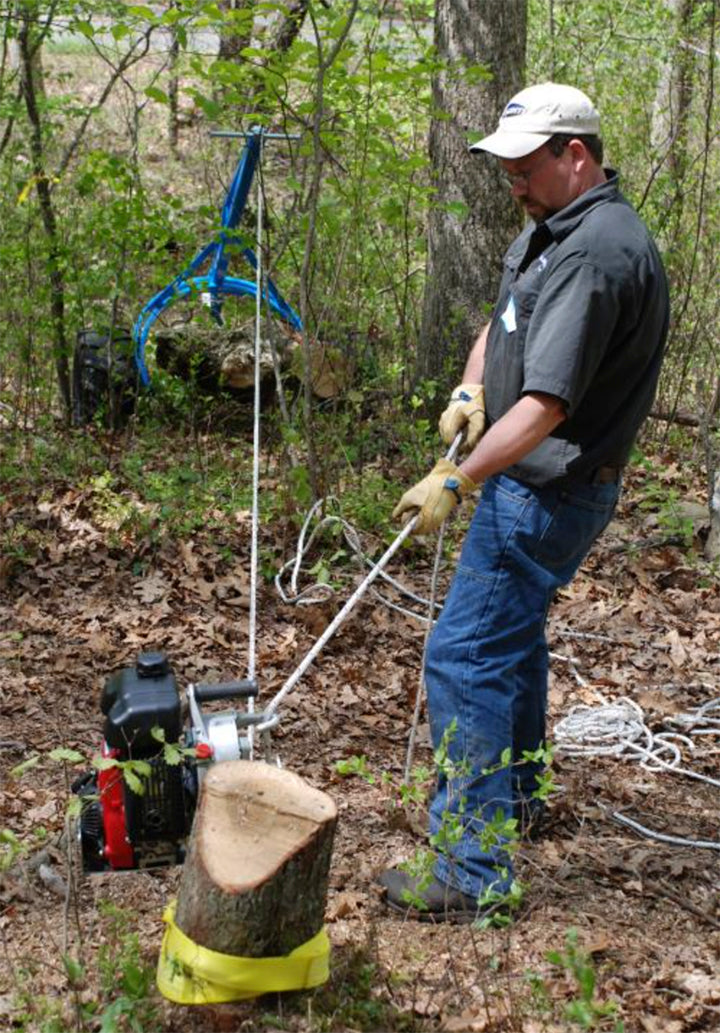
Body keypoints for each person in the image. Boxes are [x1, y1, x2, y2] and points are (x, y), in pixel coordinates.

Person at [379, 82, 670, 921]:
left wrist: (457, 479)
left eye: (524, 165)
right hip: (531, 485)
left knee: (465, 656)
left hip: (546, 493)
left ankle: (473, 870)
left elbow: (546, 406)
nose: (511, 180)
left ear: (575, 154)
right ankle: (523, 795)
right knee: (508, 645)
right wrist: (472, 392)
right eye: (503, 164)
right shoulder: (555, 228)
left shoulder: (597, 253)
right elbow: (503, 320)